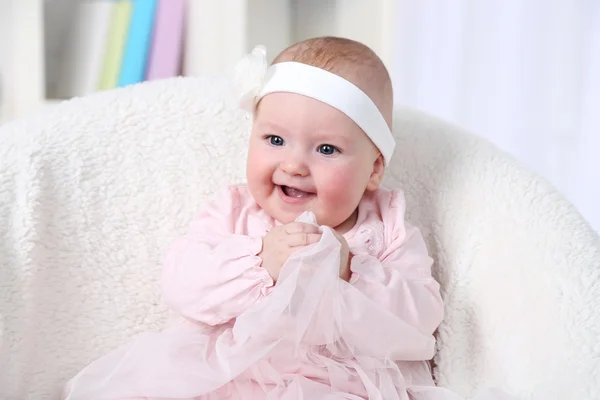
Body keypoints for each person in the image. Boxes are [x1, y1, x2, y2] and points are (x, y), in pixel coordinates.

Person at [63, 37, 514, 400]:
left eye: (326, 149)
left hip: (343, 386)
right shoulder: (236, 212)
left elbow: (421, 323)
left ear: (374, 168)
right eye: (275, 139)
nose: (294, 164)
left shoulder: (387, 228)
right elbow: (183, 284)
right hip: (227, 378)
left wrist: (352, 271)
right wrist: (260, 261)